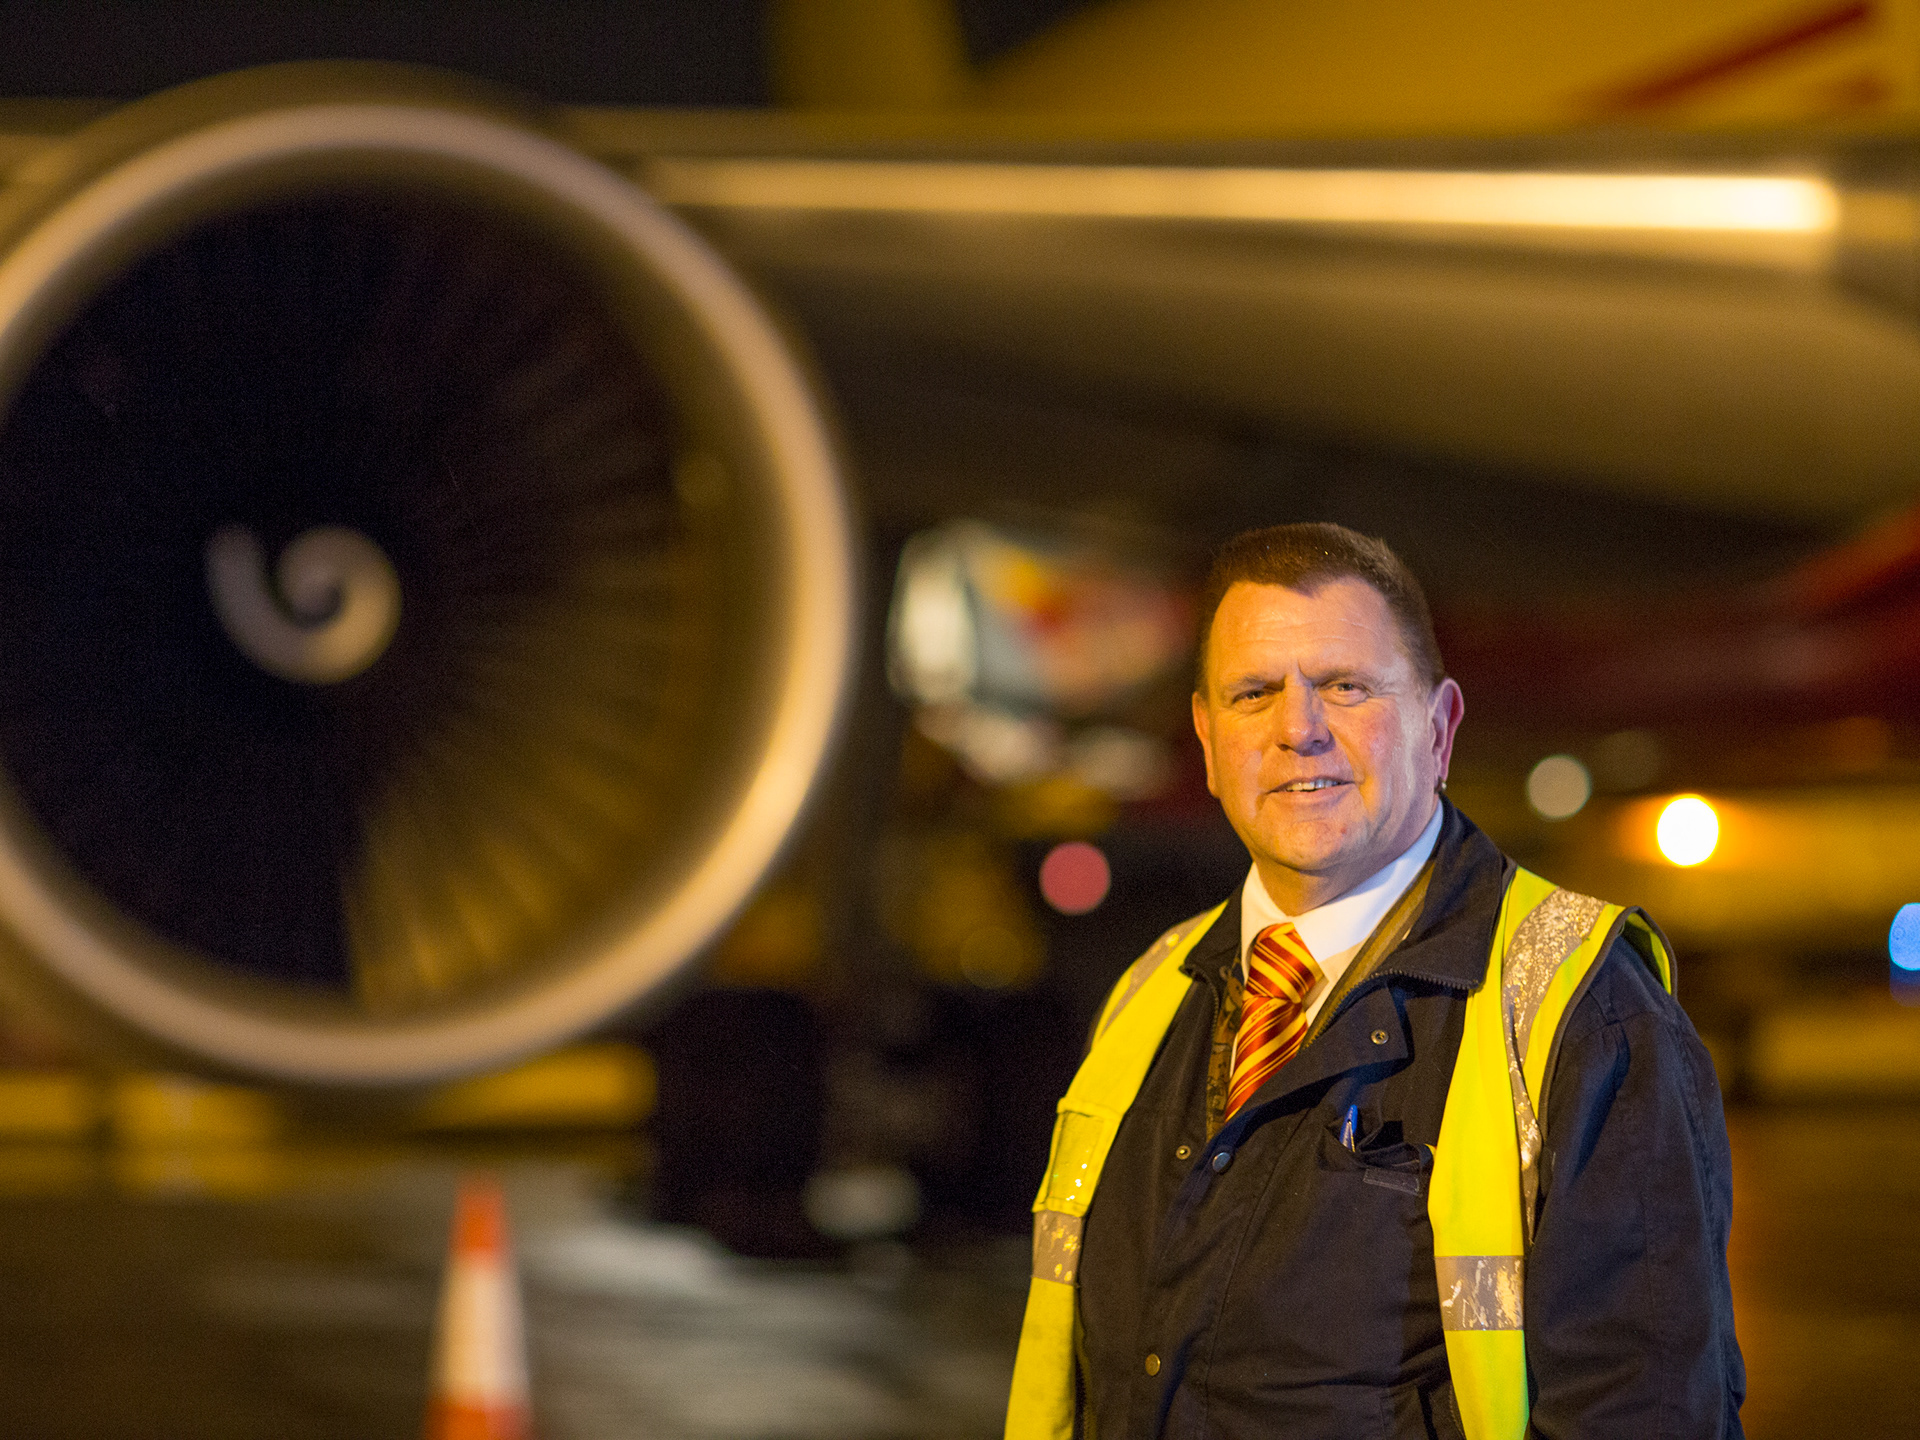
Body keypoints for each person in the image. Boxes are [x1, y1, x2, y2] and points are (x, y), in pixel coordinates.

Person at [1003, 523, 1743, 1440]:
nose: (1297, 729)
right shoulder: (1148, 995)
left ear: (1438, 728)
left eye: (1345, 687)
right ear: (1206, 738)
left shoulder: (1590, 1016)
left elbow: (1644, 1411)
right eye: (1253, 693)